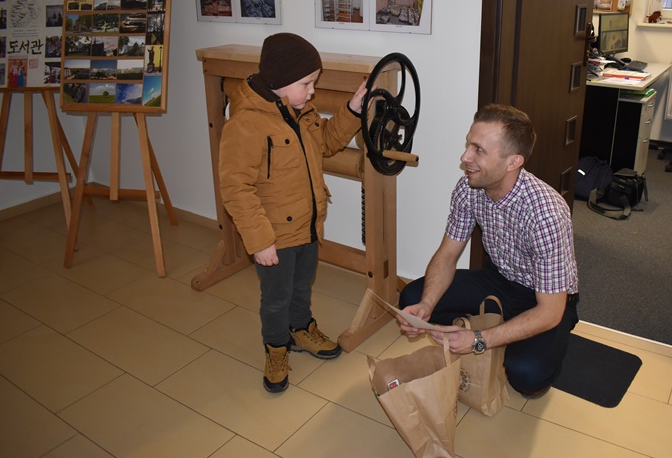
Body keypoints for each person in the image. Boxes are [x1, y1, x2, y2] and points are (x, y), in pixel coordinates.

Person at [219, 33, 369, 393]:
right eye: (307, 83)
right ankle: (275, 347)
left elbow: (329, 143)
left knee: (302, 287)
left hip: (308, 226)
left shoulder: (301, 111)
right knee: (276, 300)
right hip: (273, 238)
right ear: (279, 82)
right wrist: (259, 241)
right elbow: (235, 188)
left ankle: (302, 330)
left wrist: (353, 109)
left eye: (313, 83)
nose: (312, 91)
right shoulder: (246, 124)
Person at [398, 104, 579, 399]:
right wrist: (427, 306)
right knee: (412, 298)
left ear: (512, 162)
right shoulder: (469, 187)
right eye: (468, 144)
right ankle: (496, 331)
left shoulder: (547, 213)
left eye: (478, 150)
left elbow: (549, 310)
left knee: (527, 376)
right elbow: (447, 255)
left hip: (546, 298)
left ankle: (522, 340)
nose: (465, 157)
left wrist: (479, 340)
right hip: (499, 281)